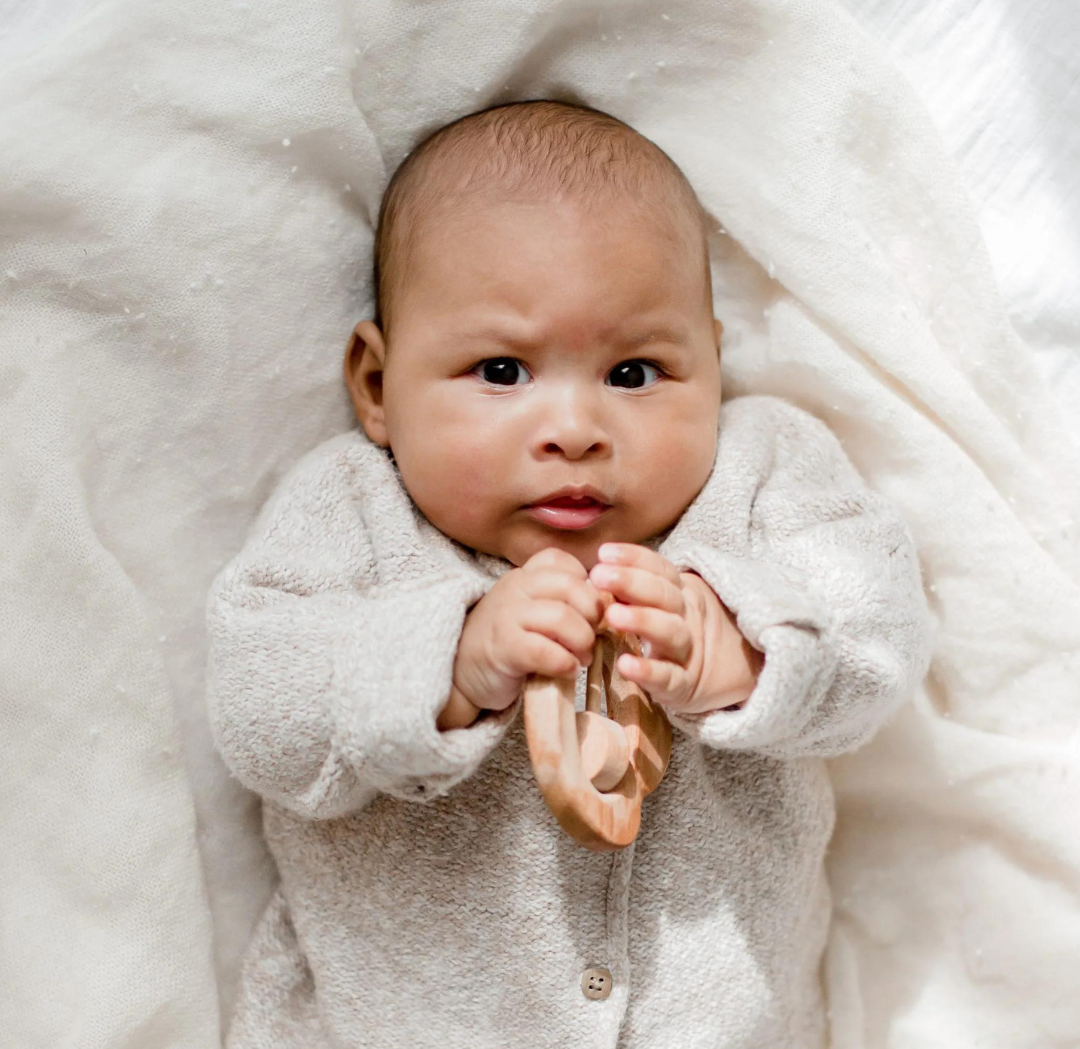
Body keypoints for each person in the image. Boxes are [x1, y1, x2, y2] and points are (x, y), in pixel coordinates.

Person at [205, 99, 932, 1048]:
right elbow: (260, 712)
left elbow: (880, 643)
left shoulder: (764, 479)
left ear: (713, 364)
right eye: (502, 371)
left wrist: (750, 658)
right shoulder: (352, 513)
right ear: (378, 387)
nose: (576, 430)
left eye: (634, 374)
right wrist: (449, 663)